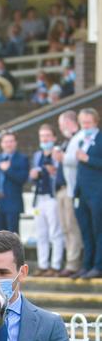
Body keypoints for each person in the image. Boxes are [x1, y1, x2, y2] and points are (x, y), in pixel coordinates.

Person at [29, 125, 64, 276]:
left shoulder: (58, 154)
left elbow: (62, 176)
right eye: (42, 136)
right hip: (39, 198)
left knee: (55, 232)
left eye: (48, 136)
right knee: (41, 233)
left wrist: (53, 172)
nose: (45, 139)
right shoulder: (37, 155)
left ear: (54, 138)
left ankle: (55, 265)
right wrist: (33, 176)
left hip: (53, 197)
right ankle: (43, 265)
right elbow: (32, 177)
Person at [53, 110, 83, 276]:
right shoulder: (66, 141)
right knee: (65, 227)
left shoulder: (78, 138)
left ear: (69, 122)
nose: (60, 127)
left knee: (72, 227)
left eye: (62, 124)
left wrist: (62, 158)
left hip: (71, 190)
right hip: (60, 190)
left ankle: (73, 263)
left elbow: (77, 161)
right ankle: (70, 261)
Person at [0, 131, 29, 233]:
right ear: (1, 144)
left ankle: (13, 250)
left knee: (12, 236)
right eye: (6, 142)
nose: (8, 144)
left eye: (11, 141)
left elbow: (22, 179)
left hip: (12, 203)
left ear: (16, 143)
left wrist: (7, 170)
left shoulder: (22, 159)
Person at [73, 108, 102, 279]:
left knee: (98, 230)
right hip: (82, 194)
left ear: (96, 122)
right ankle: (87, 264)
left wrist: (88, 159)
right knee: (85, 230)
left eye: (88, 123)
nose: (85, 126)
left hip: (97, 193)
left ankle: (98, 266)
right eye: (83, 123)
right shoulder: (82, 140)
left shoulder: (100, 139)